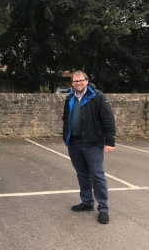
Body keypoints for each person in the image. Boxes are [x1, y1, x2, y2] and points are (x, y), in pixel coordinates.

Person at [62, 70, 115, 224]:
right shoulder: (70, 97)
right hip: (74, 143)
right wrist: (67, 136)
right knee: (82, 174)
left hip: (93, 143)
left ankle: (103, 208)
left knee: (97, 176)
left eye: (81, 80)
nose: (78, 83)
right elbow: (66, 118)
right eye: (75, 81)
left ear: (87, 80)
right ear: (72, 83)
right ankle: (87, 202)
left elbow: (108, 120)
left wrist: (110, 142)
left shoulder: (97, 96)